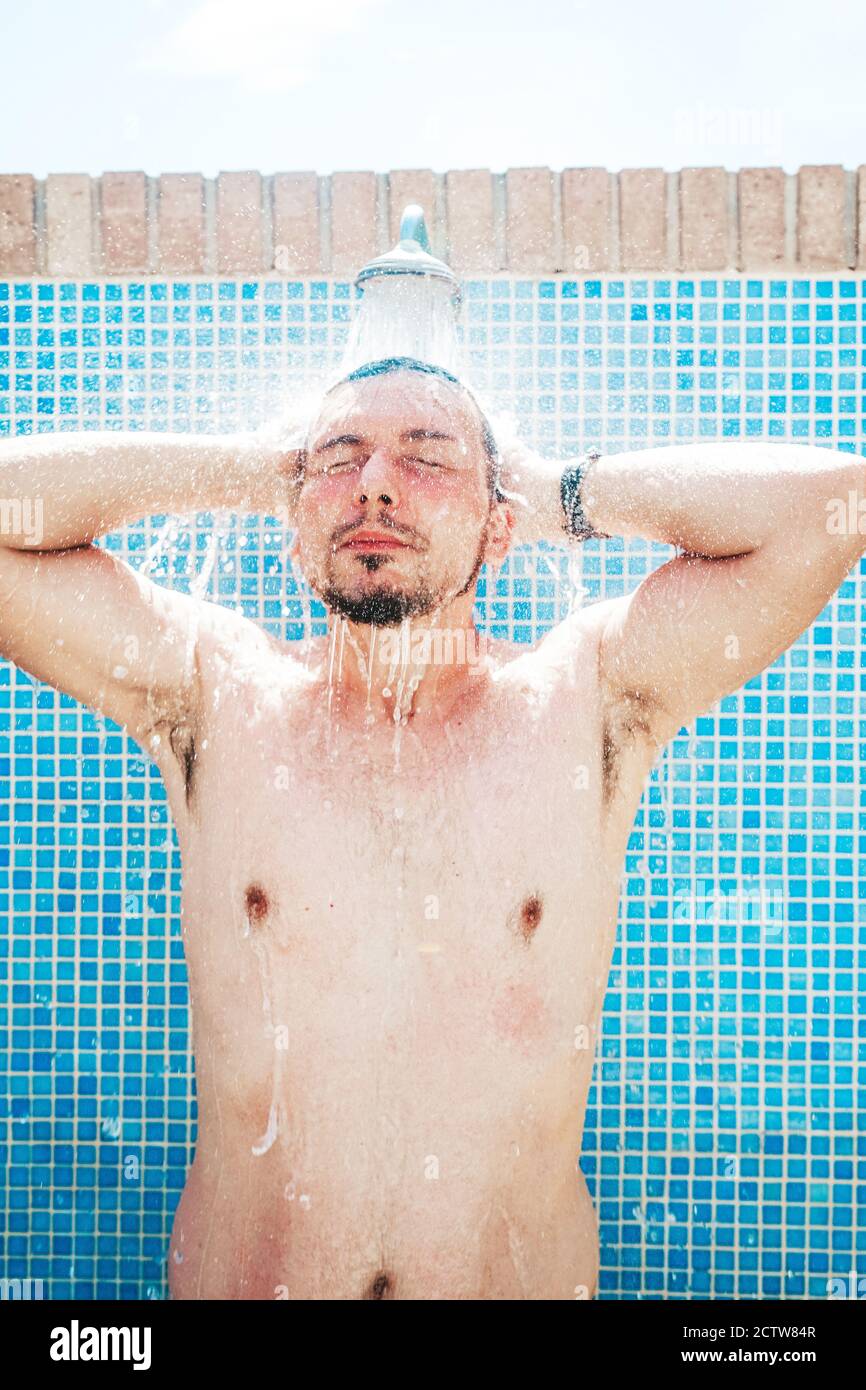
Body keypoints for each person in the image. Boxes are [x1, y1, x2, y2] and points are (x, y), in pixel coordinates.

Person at [0, 356, 863, 1300]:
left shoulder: (587, 697)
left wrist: (556, 493)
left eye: (427, 460)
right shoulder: (213, 695)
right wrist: (252, 472)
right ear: (294, 512)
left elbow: (829, 507)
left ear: (500, 526)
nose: (374, 482)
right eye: (338, 459)